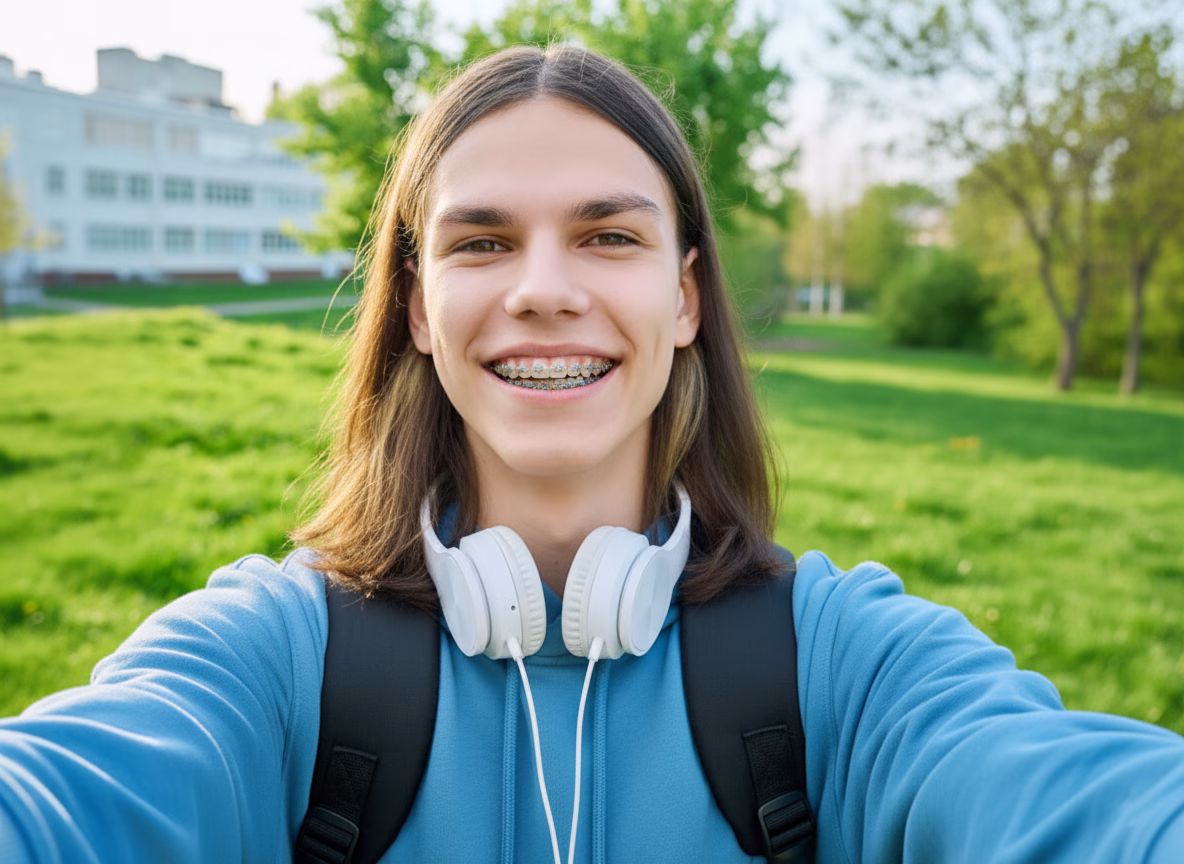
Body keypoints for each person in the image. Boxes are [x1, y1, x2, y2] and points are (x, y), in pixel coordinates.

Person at [2, 44, 1183, 864]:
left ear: (682, 298)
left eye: (607, 235)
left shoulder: (844, 665)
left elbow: (1072, 800)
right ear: (417, 309)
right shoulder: (272, 660)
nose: (543, 290)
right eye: (481, 243)